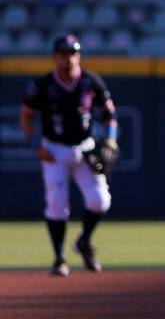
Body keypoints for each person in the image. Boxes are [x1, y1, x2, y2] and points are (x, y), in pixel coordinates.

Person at [20, 34, 118, 276]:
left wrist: (110, 140)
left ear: (79, 55)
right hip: (54, 150)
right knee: (56, 204)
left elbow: (109, 114)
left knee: (100, 201)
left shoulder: (90, 80)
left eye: (73, 53)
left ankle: (83, 241)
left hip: (84, 147)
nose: (69, 58)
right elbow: (26, 115)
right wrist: (35, 145)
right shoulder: (43, 85)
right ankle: (59, 257)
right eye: (63, 54)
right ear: (54, 57)